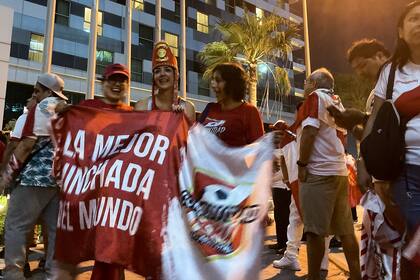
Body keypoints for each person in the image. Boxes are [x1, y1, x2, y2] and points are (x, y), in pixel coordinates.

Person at [53, 63, 132, 280]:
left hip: (116, 195)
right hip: (88, 191)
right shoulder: (86, 108)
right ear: (103, 83)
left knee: (111, 249)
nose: (117, 84)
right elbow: (59, 127)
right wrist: (60, 111)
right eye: (113, 79)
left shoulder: (133, 115)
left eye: (122, 80)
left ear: (127, 85)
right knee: (83, 243)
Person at [359, 2, 420, 279]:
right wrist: (366, 163)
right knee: (413, 234)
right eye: (414, 19)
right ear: (401, 30)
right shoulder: (391, 72)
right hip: (407, 172)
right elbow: (375, 120)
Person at [0, 73, 67, 280]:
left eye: (38, 90)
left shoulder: (43, 108)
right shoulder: (68, 112)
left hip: (33, 180)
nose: (35, 95)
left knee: (16, 226)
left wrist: (6, 175)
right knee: (54, 232)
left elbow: (26, 145)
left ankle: (13, 274)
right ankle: (50, 275)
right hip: (58, 181)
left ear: (49, 92)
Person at [296, 68, 361, 280]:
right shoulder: (336, 101)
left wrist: (302, 164)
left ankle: (314, 276)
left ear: (314, 84)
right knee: (346, 230)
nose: (305, 85)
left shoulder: (315, 97)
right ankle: (356, 275)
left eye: (307, 81)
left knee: (314, 232)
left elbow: (309, 132)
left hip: (318, 172)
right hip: (339, 172)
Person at [198, 62, 264, 147]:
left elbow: (259, 149)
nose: (213, 84)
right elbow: (195, 137)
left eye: (218, 80)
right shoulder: (210, 108)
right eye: (212, 80)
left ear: (232, 84)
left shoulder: (249, 112)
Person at [135, 41, 195, 121]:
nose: (162, 74)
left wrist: (180, 121)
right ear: (153, 77)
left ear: (176, 75)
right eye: (157, 71)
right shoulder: (142, 106)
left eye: (167, 70)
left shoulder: (187, 108)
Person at [269, 120, 291, 254]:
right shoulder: (275, 148)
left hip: (284, 187)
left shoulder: (286, 148)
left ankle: (287, 246)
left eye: (277, 131)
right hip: (276, 187)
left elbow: (283, 171)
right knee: (279, 216)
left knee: (285, 217)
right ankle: (281, 242)